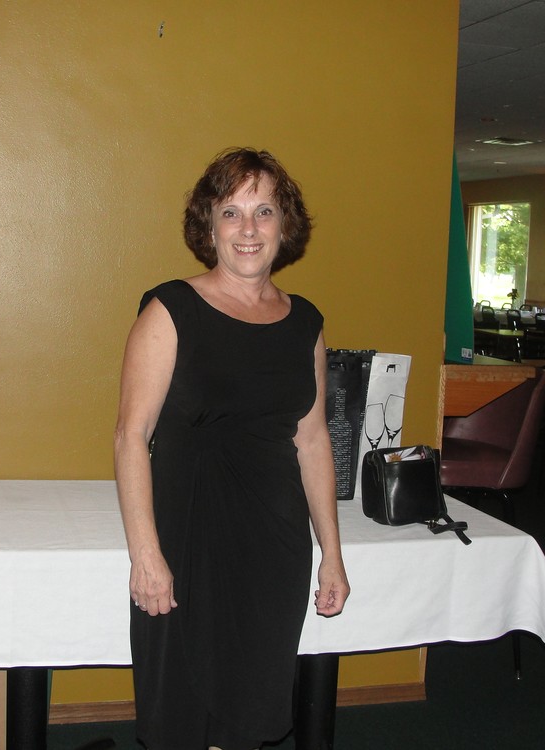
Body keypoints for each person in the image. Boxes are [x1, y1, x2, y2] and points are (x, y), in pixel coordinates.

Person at [114, 147, 350, 750]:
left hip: (273, 546)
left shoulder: (306, 323)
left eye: (264, 211)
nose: (248, 228)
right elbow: (131, 436)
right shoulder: (171, 309)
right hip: (188, 538)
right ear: (210, 225)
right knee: (182, 711)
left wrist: (332, 553)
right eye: (231, 212)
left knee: (249, 711)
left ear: (284, 225)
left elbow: (312, 440)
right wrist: (146, 554)